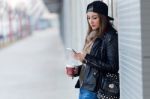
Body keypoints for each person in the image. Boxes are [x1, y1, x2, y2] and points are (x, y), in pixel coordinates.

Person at [66, 1, 119, 99]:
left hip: (96, 90)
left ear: (102, 18)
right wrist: (78, 69)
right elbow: (92, 64)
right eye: (88, 18)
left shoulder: (110, 36)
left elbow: (113, 66)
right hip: (84, 85)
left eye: (94, 18)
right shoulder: (92, 35)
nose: (91, 21)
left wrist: (86, 57)